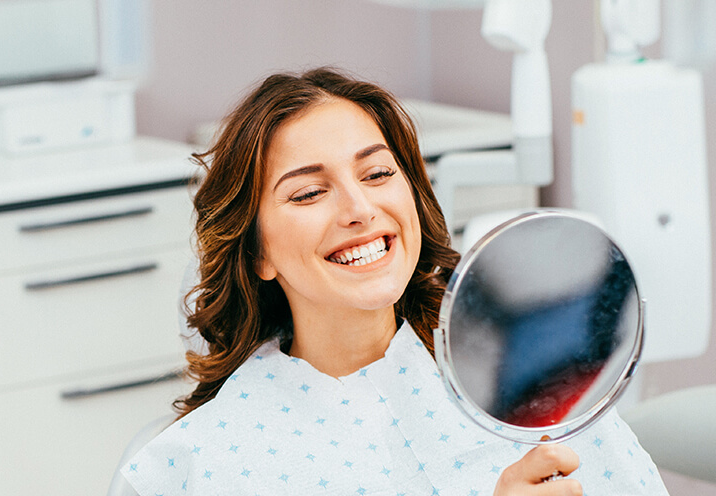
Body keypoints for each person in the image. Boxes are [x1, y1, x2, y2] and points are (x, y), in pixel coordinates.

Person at [121, 68, 668, 496]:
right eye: (309, 193)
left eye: (378, 173)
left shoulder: (533, 390)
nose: (359, 209)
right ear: (258, 253)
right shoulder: (206, 461)